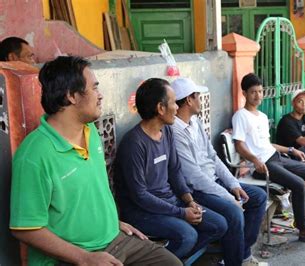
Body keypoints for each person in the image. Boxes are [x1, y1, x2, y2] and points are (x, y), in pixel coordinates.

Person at [9, 56, 181, 265]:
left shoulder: (90, 131)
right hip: (73, 256)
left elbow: (88, 195)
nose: (100, 96)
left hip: (114, 238)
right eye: (94, 88)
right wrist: (84, 258)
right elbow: (25, 229)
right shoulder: (34, 155)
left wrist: (112, 223)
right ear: (72, 95)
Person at [113, 78, 227, 259]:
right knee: (187, 235)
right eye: (173, 102)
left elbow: (174, 171)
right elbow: (140, 196)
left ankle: (174, 261)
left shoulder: (166, 131)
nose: (177, 107)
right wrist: (181, 213)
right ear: (160, 108)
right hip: (141, 212)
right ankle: (158, 261)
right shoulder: (133, 144)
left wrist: (189, 201)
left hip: (170, 202)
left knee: (219, 224)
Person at [170, 77, 267, 266]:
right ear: (189, 100)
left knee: (258, 197)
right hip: (197, 190)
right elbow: (194, 176)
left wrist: (233, 184)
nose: (201, 100)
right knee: (234, 213)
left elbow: (213, 157)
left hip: (214, 181)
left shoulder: (195, 121)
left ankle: (241, 254)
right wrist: (229, 197)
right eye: (197, 96)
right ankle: (235, 260)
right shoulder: (175, 131)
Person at [232, 73, 305, 244]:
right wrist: (254, 159)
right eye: (253, 92)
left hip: (276, 158)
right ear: (244, 93)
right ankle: (304, 229)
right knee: (298, 184)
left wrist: (291, 149)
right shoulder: (241, 116)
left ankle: (302, 220)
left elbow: (267, 144)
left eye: (260, 91)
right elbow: (239, 144)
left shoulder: (263, 116)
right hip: (262, 166)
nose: (258, 95)